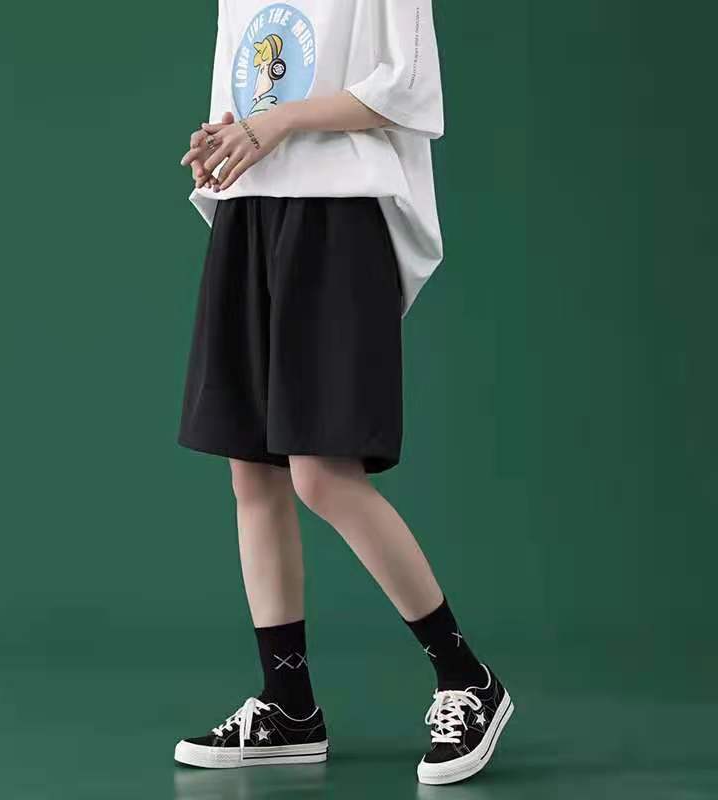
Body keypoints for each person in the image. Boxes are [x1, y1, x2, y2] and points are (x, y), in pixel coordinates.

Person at [173, 0, 513, 785]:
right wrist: (226, 138)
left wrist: (277, 124)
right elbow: (247, 91)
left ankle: (467, 678)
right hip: (250, 210)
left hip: (338, 212)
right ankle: (288, 703)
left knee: (322, 474)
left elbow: (408, 88)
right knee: (251, 471)